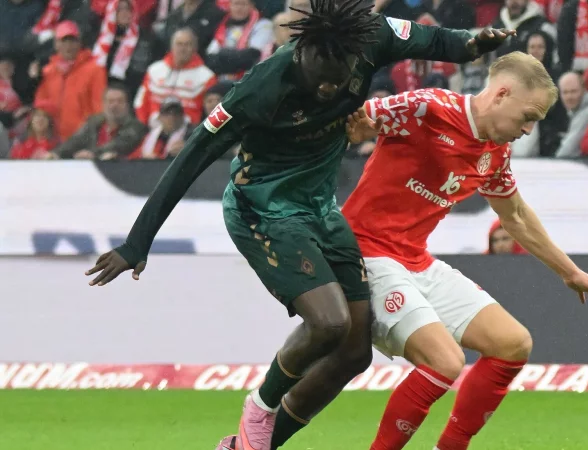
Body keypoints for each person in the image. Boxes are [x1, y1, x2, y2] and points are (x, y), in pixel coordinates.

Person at [83, 0, 516, 449]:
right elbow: (189, 160)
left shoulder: (372, 36)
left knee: (353, 353)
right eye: (320, 75)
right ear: (302, 49)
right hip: (262, 208)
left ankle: (252, 448)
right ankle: (260, 407)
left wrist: (472, 44)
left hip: (320, 209)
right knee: (329, 323)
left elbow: (438, 40)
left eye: (340, 75)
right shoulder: (261, 86)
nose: (330, 88)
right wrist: (137, 243)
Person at [341, 52, 588, 450]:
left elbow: (516, 215)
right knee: (446, 361)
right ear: (501, 94)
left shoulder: (495, 153)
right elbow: (353, 120)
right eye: (528, 116)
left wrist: (569, 272)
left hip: (414, 260)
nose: (527, 129)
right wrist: (357, 129)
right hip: (366, 253)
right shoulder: (427, 108)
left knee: (513, 343)